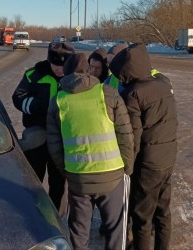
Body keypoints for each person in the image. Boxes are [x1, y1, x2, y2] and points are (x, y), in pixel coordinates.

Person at [46, 53, 135, 250]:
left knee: (78, 234)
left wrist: (67, 171)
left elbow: (54, 144)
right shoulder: (108, 94)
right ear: (88, 72)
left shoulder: (58, 101)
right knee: (115, 233)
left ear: (66, 74)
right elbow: (125, 135)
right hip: (112, 176)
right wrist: (127, 167)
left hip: (78, 178)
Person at [109, 43, 178, 250]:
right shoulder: (163, 84)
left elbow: (133, 137)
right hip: (167, 158)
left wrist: (128, 166)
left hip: (148, 164)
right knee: (163, 212)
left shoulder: (133, 93)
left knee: (142, 218)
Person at [12, 41, 75, 211]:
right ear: (49, 60)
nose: (59, 69)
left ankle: (56, 216)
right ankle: (32, 212)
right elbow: (18, 97)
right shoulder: (34, 74)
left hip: (61, 139)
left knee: (58, 182)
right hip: (36, 138)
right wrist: (36, 106)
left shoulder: (74, 78)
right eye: (55, 64)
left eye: (63, 66)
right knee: (33, 179)